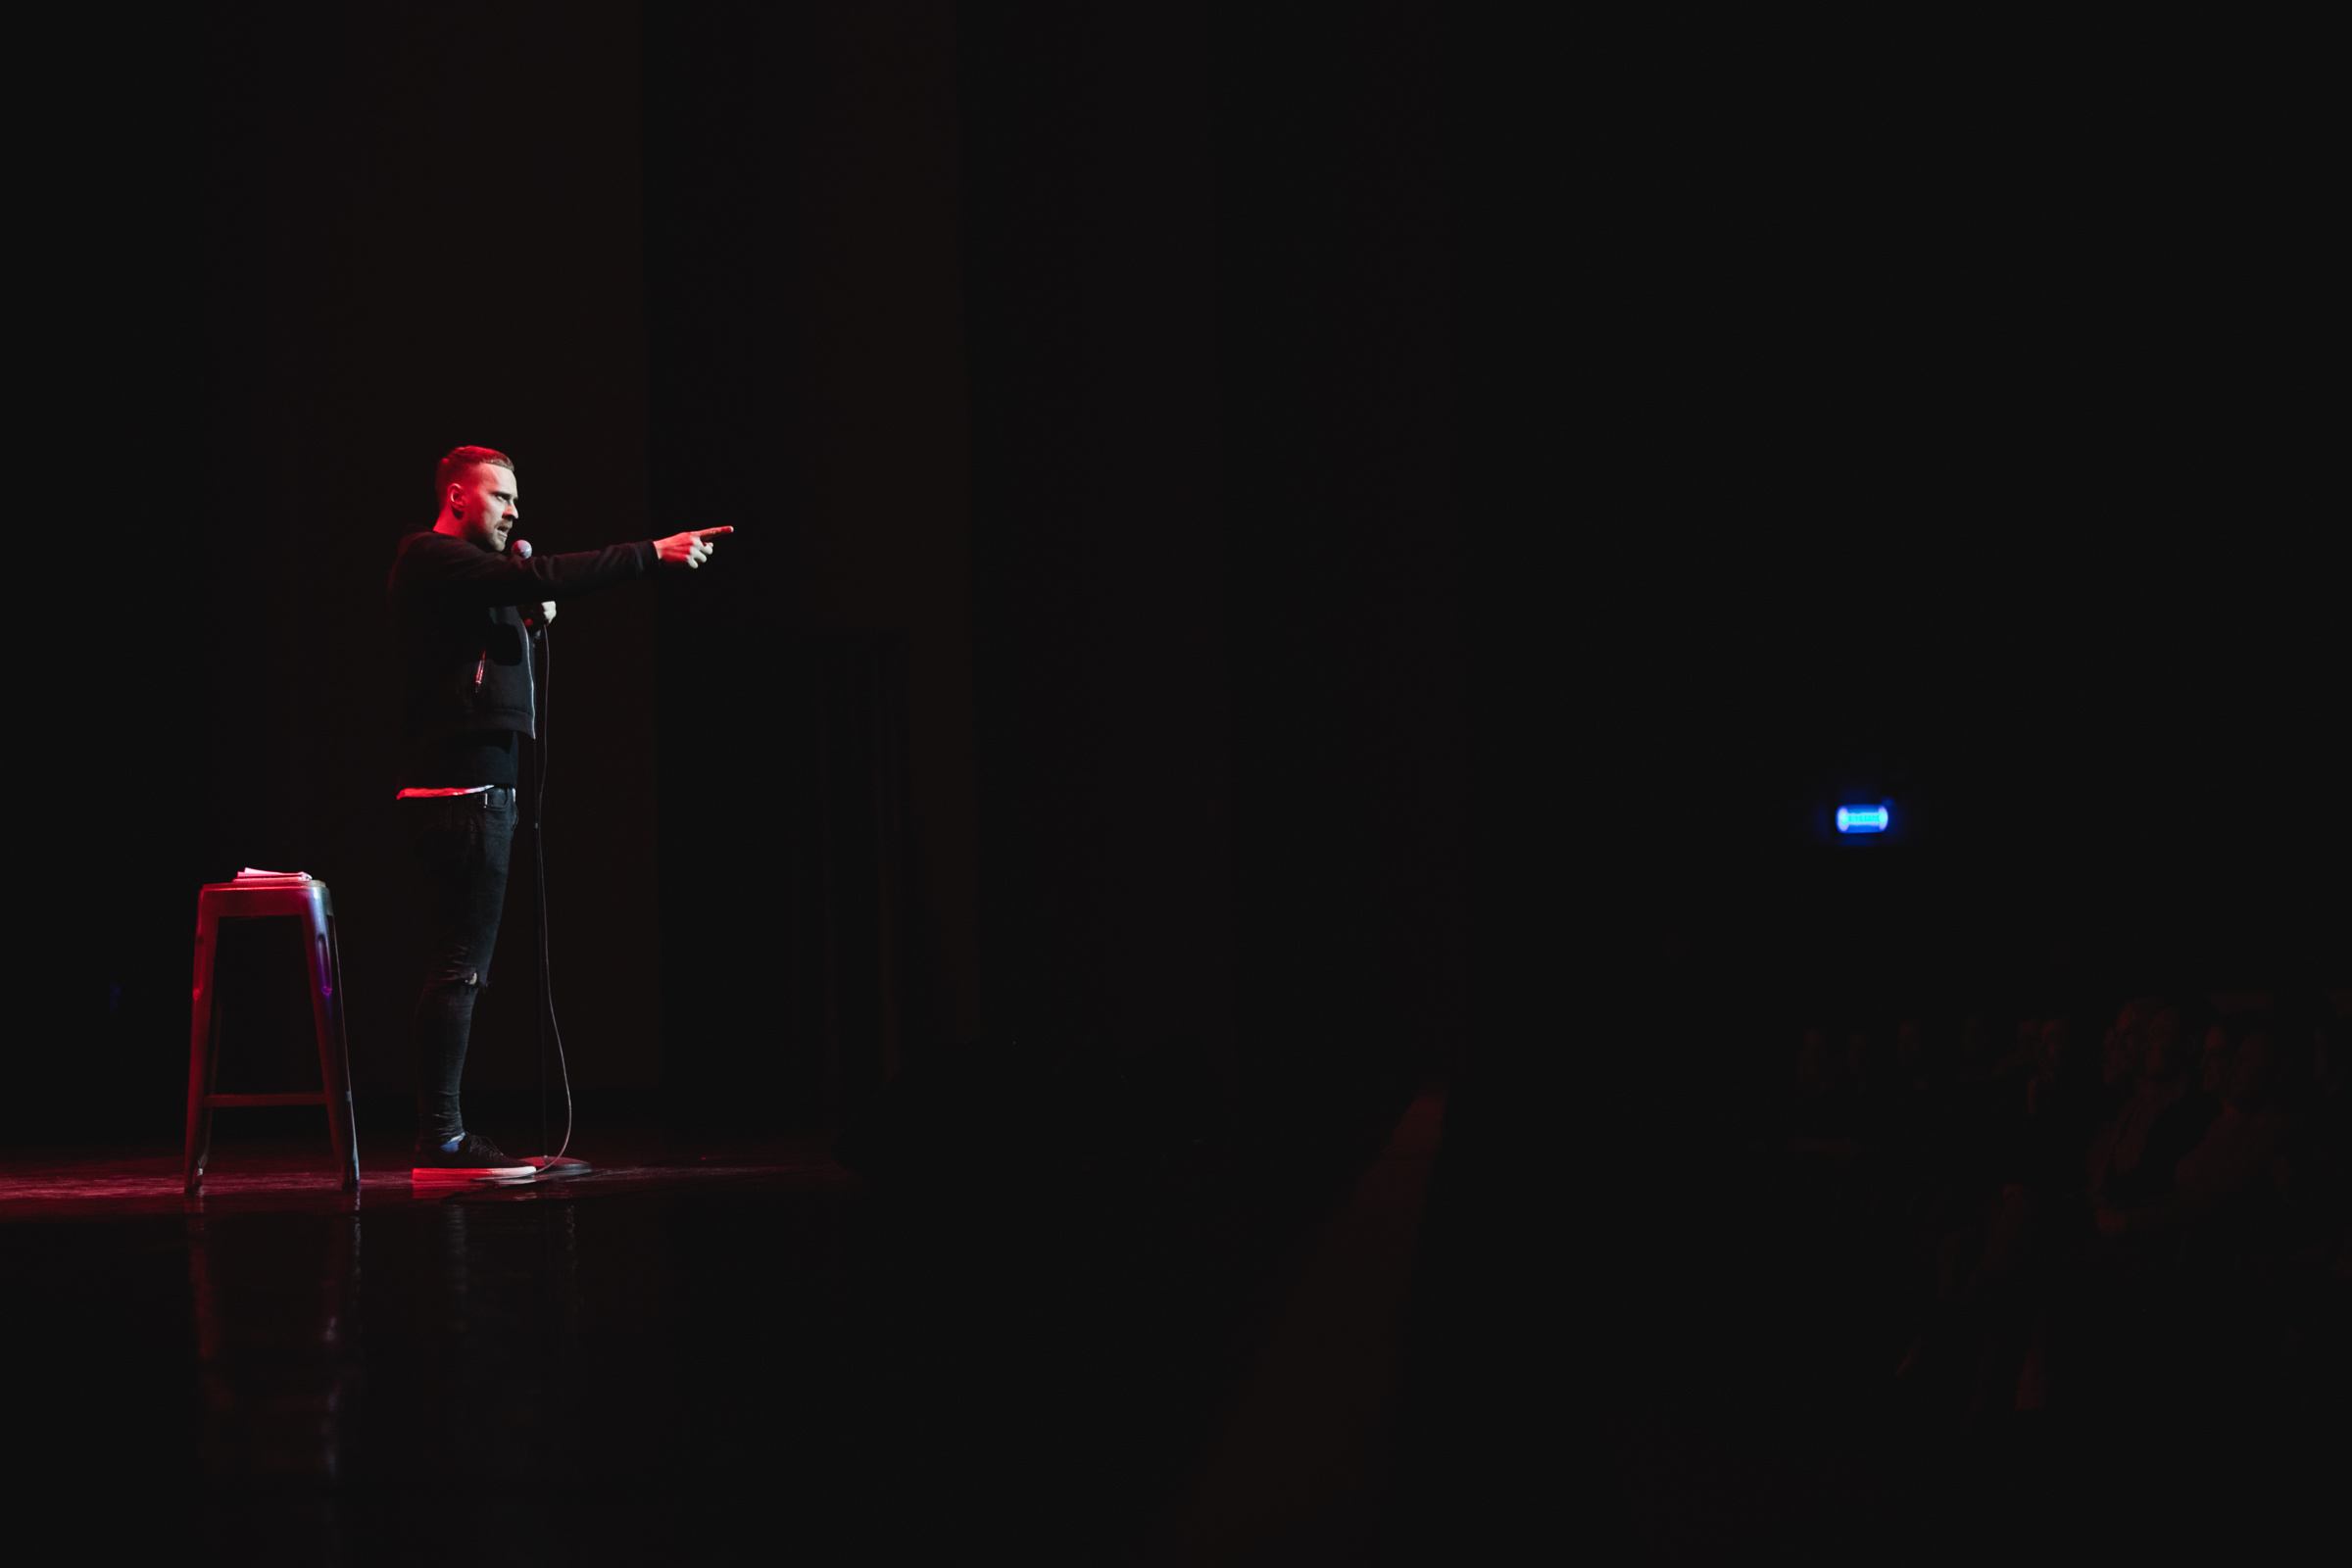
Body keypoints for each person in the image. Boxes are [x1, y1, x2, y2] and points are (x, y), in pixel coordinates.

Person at [388, 446, 730, 1179]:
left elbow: (502, 623)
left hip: (480, 785)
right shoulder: (430, 556)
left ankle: (443, 1138)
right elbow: (539, 575)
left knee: (465, 967)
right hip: (460, 787)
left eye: (516, 499)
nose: (514, 512)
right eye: (500, 496)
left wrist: (526, 617)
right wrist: (651, 552)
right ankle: (440, 1141)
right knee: (459, 967)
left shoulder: (471, 581)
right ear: (456, 496)